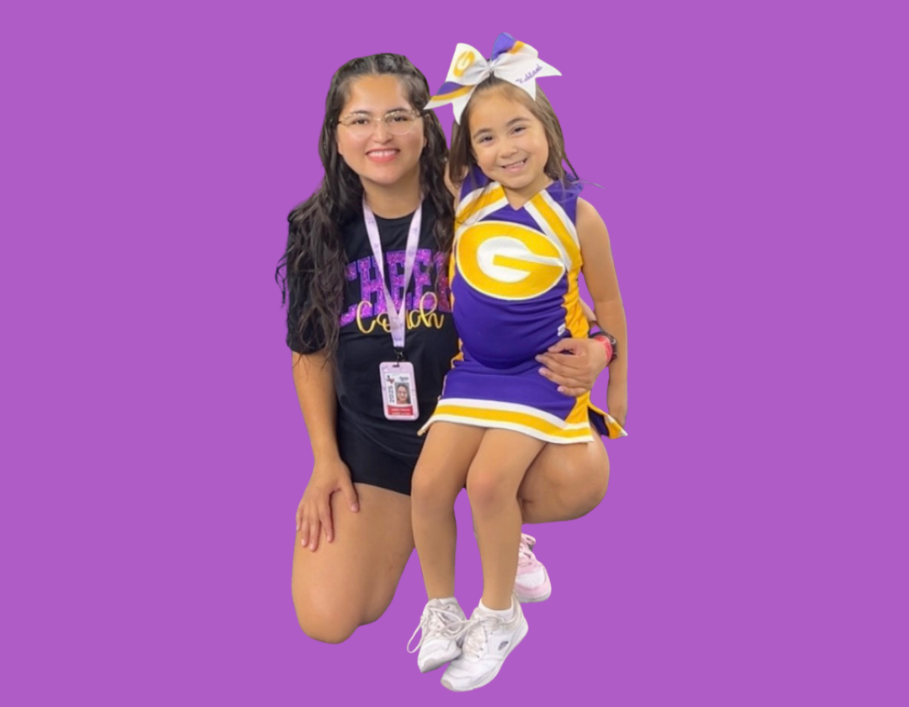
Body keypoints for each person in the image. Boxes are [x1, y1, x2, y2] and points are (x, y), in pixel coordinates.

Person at [278, 52, 612, 648]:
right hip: (377, 445)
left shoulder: (476, 204)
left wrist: (597, 348)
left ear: (430, 127)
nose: (380, 135)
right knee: (327, 618)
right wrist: (325, 460)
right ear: (335, 134)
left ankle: (496, 519)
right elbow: (309, 351)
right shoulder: (316, 226)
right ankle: (436, 523)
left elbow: (554, 281)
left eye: (399, 116)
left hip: (480, 424)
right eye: (359, 120)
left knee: (582, 474)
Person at [407, 35, 628, 691]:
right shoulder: (464, 197)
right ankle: (442, 609)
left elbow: (609, 303)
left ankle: (499, 615)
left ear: (547, 127)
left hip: (540, 374)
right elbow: (415, 124)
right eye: (485, 137)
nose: (506, 148)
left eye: (518, 128)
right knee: (426, 485)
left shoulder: (576, 214)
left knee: (489, 481)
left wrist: (606, 366)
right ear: (466, 150)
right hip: (473, 371)